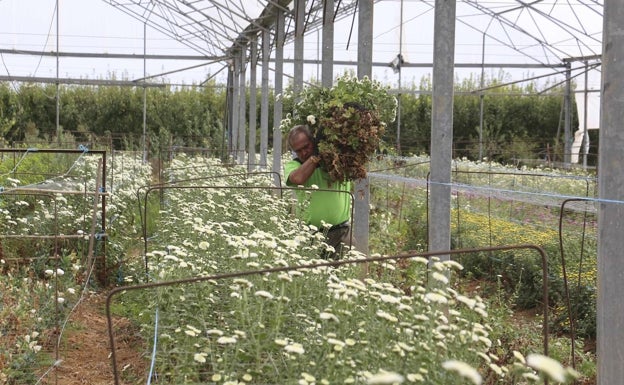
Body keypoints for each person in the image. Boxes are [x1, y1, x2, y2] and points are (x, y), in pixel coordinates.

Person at [284, 124, 353, 259]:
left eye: (306, 146)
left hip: (341, 234)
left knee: (345, 276)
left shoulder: (338, 162)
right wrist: (315, 157)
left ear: (314, 141)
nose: (303, 152)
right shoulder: (295, 165)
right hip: (310, 236)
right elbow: (297, 178)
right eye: (299, 150)